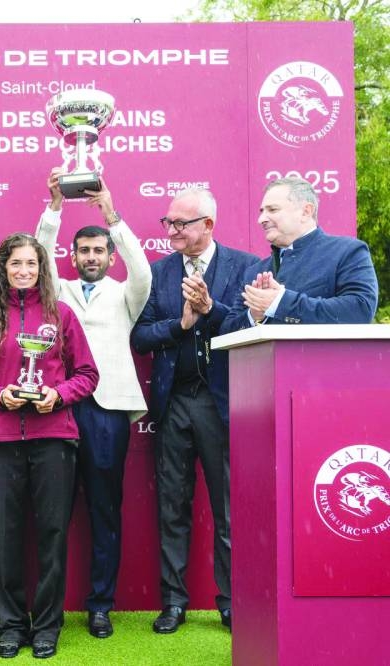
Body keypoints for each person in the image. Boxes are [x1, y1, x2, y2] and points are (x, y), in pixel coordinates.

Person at [0, 233, 98, 660]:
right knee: (5, 535)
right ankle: (12, 624)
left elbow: (88, 375)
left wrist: (57, 394)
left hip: (53, 438)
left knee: (53, 535)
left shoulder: (61, 315)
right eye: (16, 263)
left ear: (43, 268)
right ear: (2, 268)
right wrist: (0, 396)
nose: (24, 271)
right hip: (0, 439)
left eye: (32, 264)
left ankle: (47, 627)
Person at [130, 188, 259, 634]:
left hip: (224, 401)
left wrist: (210, 309)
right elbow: (141, 336)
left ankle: (230, 601)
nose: (171, 231)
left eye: (181, 224)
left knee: (227, 511)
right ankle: (173, 602)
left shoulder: (247, 266)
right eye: (168, 223)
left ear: (208, 224)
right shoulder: (158, 273)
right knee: (172, 506)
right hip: (174, 402)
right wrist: (181, 325)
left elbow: (250, 326)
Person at [34, 170, 151, 639]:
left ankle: (100, 605)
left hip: (107, 412)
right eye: (83, 251)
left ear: (108, 256)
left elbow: (141, 268)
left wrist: (110, 215)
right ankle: (50, 610)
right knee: (53, 515)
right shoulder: (56, 289)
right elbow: (38, 259)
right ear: (74, 255)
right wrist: (55, 207)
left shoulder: (126, 293)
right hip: (59, 407)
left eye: (98, 251)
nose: (90, 257)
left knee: (104, 510)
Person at [221, 176, 378, 331]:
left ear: (306, 212)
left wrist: (280, 303)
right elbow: (227, 332)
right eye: (262, 211)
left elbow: (359, 310)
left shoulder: (347, 251)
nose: (261, 219)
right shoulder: (255, 271)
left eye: (273, 210)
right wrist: (255, 315)